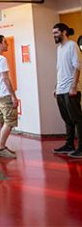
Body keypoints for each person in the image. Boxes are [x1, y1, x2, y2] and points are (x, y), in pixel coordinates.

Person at [51, 23, 81, 158]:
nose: (54, 36)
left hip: (70, 89)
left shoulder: (72, 45)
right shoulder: (59, 48)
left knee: (77, 119)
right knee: (67, 119)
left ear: (64, 32)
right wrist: (56, 87)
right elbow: (60, 70)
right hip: (61, 90)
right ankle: (69, 144)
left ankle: (81, 148)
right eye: (53, 33)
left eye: (56, 33)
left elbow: (77, 67)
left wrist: (74, 87)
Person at [0, 35, 19, 158]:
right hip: (5, 94)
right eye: (5, 42)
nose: (7, 44)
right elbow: (6, 78)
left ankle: (1, 146)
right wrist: (13, 96)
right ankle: (1, 148)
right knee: (10, 122)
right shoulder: (1, 59)